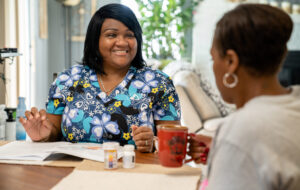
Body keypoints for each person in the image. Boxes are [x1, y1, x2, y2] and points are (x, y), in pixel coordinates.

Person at [20, 3, 181, 153]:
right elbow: (53, 134)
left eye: (129, 35)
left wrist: (152, 142)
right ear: (95, 40)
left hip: (132, 172)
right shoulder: (67, 80)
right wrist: (43, 135)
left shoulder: (159, 83)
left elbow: (175, 143)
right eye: (112, 35)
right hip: (74, 173)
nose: (122, 42)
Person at [188, 4, 300, 189]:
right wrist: (222, 150)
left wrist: (232, 147)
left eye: (213, 59)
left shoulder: (241, 131)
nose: (213, 66)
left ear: (231, 62)